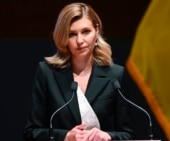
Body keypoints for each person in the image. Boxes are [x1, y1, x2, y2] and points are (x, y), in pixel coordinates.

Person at [23, 2, 135, 141]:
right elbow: (31, 133)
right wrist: (66, 136)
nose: (80, 40)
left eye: (86, 32)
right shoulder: (47, 73)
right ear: (63, 37)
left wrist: (108, 136)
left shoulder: (115, 75)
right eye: (72, 34)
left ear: (97, 30)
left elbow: (128, 134)